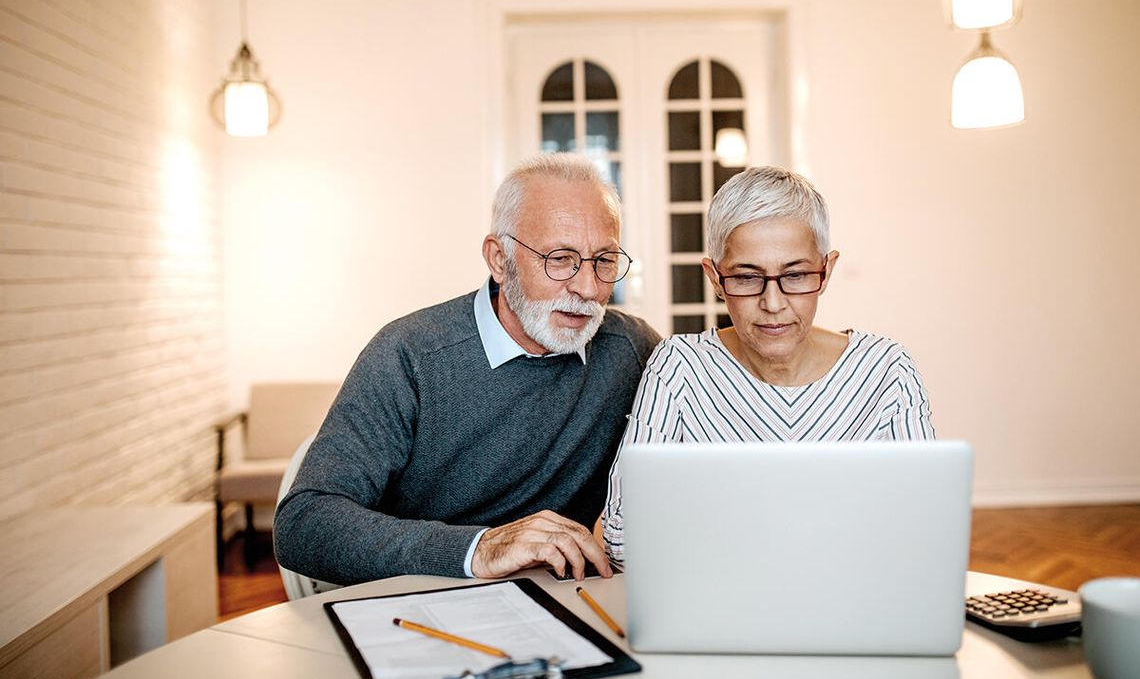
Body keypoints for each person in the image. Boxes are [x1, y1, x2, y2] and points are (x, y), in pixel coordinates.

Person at [275, 153, 659, 585]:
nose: (588, 289)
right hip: (426, 605)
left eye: (604, 261)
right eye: (559, 259)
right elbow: (303, 524)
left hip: (574, 602)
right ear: (499, 259)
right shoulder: (410, 355)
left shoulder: (632, 348)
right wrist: (481, 548)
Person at [601, 165, 935, 564]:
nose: (773, 304)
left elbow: (927, 529)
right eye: (746, 278)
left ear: (826, 270)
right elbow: (620, 535)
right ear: (714, 277)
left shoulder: (886, 370)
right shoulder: (679, 367)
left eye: (795, 275)